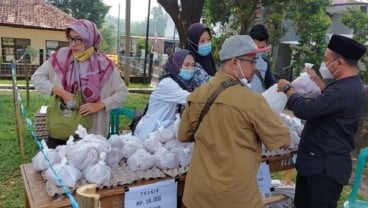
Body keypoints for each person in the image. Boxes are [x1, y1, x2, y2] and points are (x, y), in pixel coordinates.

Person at [178, 35, 291, 208]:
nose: (255, 67)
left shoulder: (198, 94)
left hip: (197, 196)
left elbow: (183, 135)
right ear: (234, 63)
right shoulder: (253, 101)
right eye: (252, 61)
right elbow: (284, 141)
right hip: (235, 198)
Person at [277, 34, 367, 208]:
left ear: (339, 63)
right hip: (319, 164)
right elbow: (331, 103)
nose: (325, 64)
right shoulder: (350, 85)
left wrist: (288, 89)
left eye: (327, 60)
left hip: (324, 169)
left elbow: (306, 110)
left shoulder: (343, 90)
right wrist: (317, 80)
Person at [31, 19, 128, 148]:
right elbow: (37, 78)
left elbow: (122, 93)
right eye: (70, 39)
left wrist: (99, 105)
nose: (73, 44)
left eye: (78, 39)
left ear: (90, 38)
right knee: (58, 165)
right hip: (63, 127)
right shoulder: (61, 57)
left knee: (88, 164)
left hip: (92, 131)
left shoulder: (105, 66)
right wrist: (62, 92)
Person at [134, 49, 196, 140]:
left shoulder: (184, 84)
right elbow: (192, 99)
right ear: (176, 65)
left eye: (192, 65)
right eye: (186, 65)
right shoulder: (167, 84)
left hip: (163, 134)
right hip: (149, 134)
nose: (190, 69)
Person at [249, 24, 277, 93]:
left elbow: (271, 84)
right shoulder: (238, 60)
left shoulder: (265, 63)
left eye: (262, 48)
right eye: (256, 48)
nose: (259, 51)